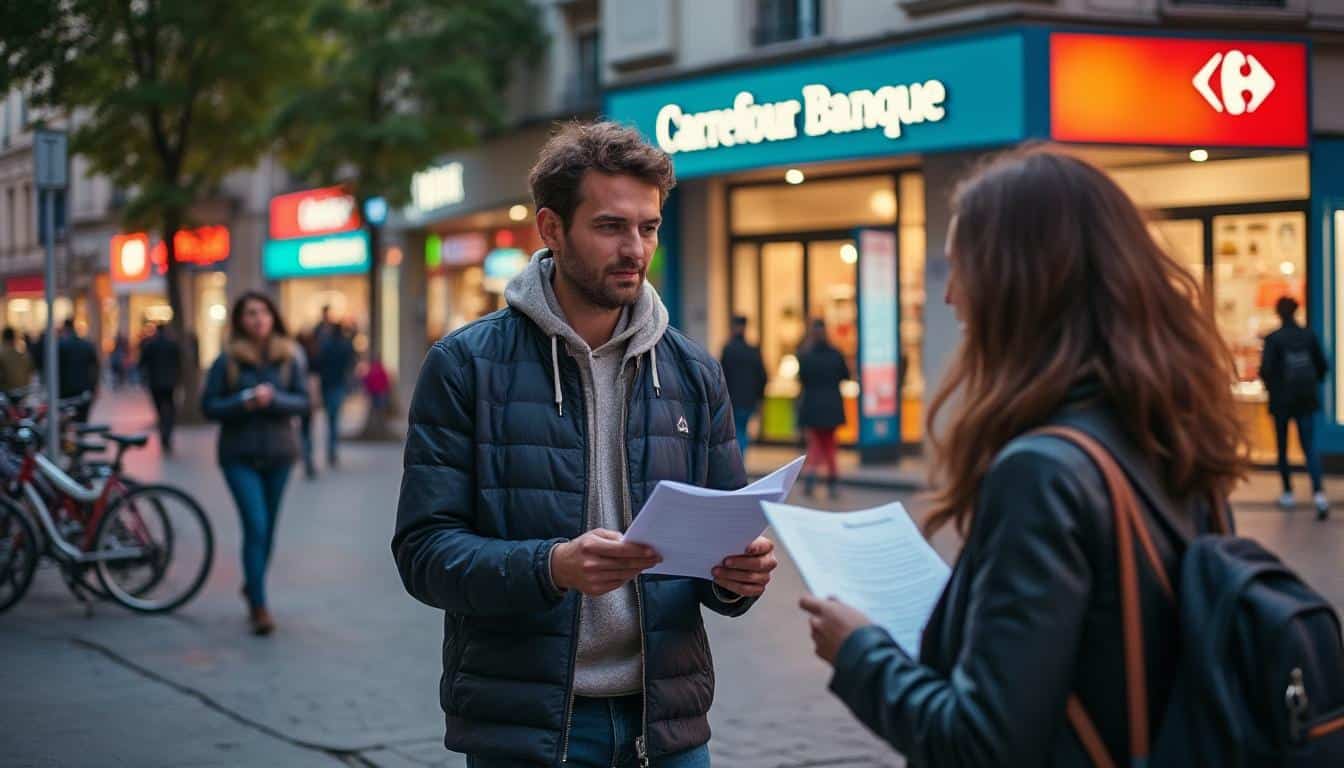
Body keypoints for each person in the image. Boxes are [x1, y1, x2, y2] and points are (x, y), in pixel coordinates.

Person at [798, 149, 1247, 767]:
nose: (951, 296)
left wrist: (859, 652)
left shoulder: (1039, 472)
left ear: (1022, 285)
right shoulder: (1170, 434)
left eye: (963, 269)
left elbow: (981, 744)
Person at [393, 121, 779, 768]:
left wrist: (739, 578)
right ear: (550, 229)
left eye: (648, 228)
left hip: (667, 724)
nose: (635, 248)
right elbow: (424, 554)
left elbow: (720, 551)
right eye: (610, 227)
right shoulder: (465, 366)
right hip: (529, 726)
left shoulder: (693, 372)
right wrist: (552, 567)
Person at [202, 292, 310, 636]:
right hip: (239, 456)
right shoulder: (227, 360)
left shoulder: (289, 357)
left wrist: (274, 398)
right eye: (250, 313)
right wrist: (243, 402)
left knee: (269, 531)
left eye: (263, 312)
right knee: (257, 525)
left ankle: (253, 582)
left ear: (273, 317)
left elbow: (305, 401)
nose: (258, 319)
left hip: (280, 455)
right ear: (240, 321)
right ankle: (259, 606)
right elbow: (209, 406)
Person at [1260, 295, 1330, 520]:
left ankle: (1288, 492)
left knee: (1282, 447)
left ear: (1278, 313)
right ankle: (1318, 493)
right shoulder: (1309, 336)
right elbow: (1322, 366)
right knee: (1309, 446)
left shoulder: (1274, 339)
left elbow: (1266, 370)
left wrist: (1273, 388)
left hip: (1282, 400)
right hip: (1306, 399)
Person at [796, 318, 850, 498]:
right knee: (829, 445)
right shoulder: (836, 354)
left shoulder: (805, 355)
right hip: (832, 405)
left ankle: (811, 474)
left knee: (816, 444)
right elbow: (845, 375)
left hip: (812, 405)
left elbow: (802, 379)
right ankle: (832, 479)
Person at [720, 314, 768, 459]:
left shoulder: (728, 350)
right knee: (742, 430)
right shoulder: (752, 351)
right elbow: (763, 376)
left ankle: (738, 460)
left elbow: (721, 376)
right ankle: (740, 458)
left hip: (732, 399)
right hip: (748, 400)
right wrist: (760, 397)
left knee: (737, 431)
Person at [314, 321, 356, 468]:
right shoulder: (345, 346)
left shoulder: (325, 346)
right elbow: (351, 363)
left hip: (328, 385)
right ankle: (332, 451)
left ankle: (331, 451)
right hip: (338, 384)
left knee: (330, 418)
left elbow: (318, 364)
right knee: (334, 419)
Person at [137, 323, 183, 454]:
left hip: (156, 382)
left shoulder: (151, 344)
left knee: (160, 409)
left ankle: (164, 432)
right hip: (169, 382)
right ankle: (167, 433)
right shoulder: (172, 344)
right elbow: (178, 363)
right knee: (170, 409)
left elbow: (142, 362)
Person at [56, 319, 100, 422]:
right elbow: (95, 367)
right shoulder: (86, 345)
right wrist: (94, 386)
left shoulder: (60, 345)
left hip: (66, 391)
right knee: (82, 421)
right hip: (83, 389)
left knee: (67, 422)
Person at [0, 327, 33, 393]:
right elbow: (30, 371)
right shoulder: (22, 354)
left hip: (7, 393)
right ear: (14, 339)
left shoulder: (2, 354)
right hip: (23, 391)